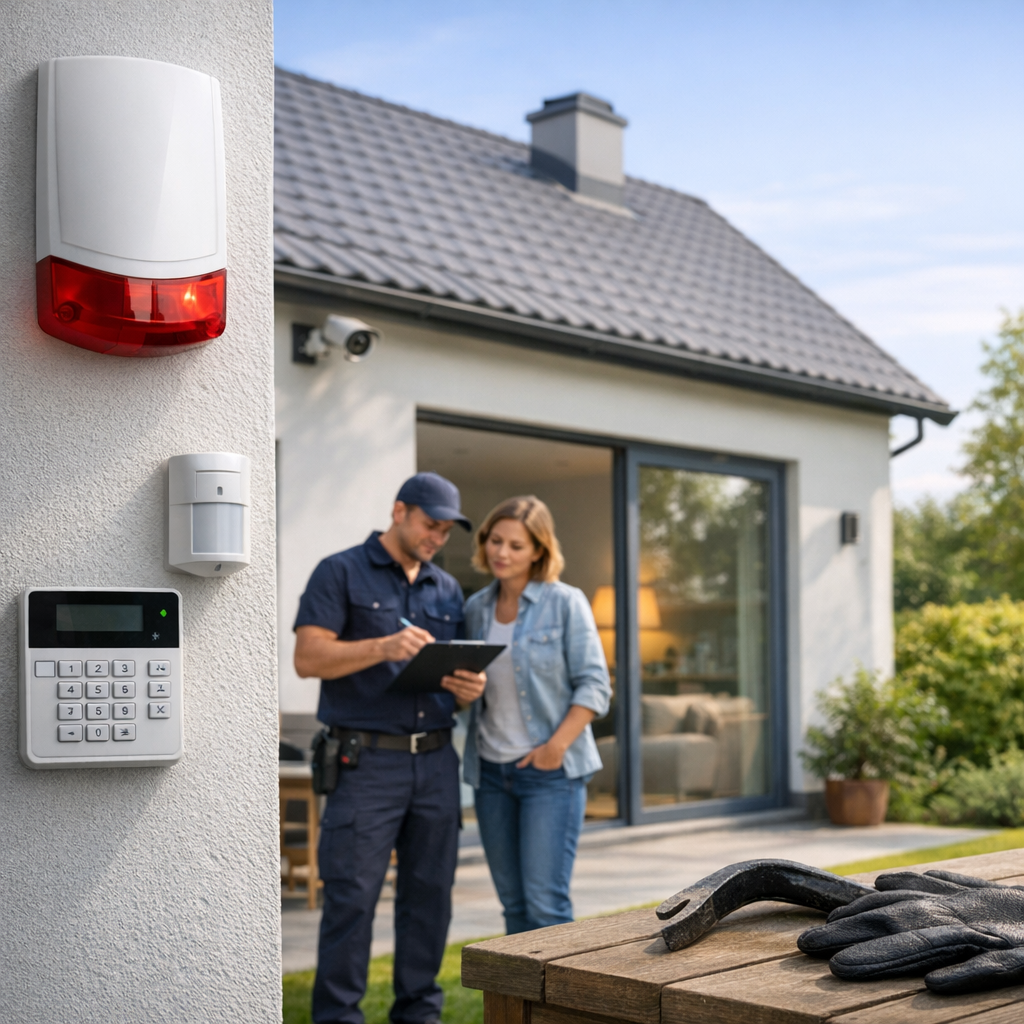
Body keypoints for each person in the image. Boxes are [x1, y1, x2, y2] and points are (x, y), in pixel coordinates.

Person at [293, 472, 487, 1024]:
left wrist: (469, 688)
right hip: (365, 765)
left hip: (435, 763)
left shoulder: (446, 589)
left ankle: (419, 1016)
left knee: (429, 900)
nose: (437, 538)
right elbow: (308, 658)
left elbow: (448, 668)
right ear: (399, 511)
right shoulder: (339, 572)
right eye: (431, 525)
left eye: (446, 531)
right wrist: (382, 645)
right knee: (351, 901)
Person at [462, 495, 611, 934]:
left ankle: (559, 1004)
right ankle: (519, 1005)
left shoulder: (565, 603)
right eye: (495, 540)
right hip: (491, 773)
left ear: (539, 551)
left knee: (545, 905)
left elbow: (595, 685)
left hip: (550, 775)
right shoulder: (475, 609)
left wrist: (554, 748)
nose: (501, 553)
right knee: (513, 906)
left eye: (516, 545)